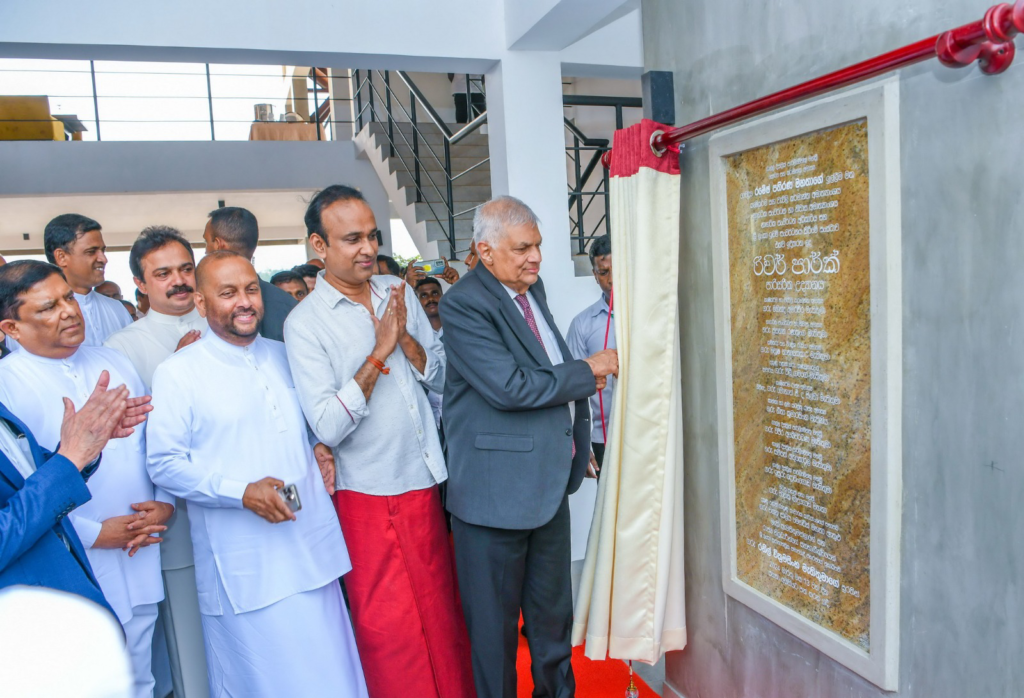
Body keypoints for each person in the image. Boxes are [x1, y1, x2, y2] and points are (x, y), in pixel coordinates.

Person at [147, 251, 368, 698]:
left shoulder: (285, 355)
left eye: (251, 289)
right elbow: (164, 463)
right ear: (201, 303)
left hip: (310, 548)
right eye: (228, 293)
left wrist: (318, 444)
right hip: (245, 567)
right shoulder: (177, 372)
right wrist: (241, 493)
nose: (244, 302)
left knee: (334, 676)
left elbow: (307, 425)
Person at [285, 185, 474, 698]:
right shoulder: (305, 324)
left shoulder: (397, 290)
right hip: (366, 492)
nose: (368, 248)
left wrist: (405, 339)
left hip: (424, 480)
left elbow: (441, 377)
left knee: (442, 614)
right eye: (353, 239)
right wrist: (378, 353)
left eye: (372, 236)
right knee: (389, 631)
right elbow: (327, 425)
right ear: (319, 246)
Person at [439, 196, 618, 698]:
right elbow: (510, 387)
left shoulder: (529, 289)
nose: (536, 257)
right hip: (494, 497)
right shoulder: (464, 303)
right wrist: (589, 369)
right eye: (522, 248)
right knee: (495, 638)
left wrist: (574, 439)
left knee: (552, 623)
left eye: (537, 245)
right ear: (485, 251)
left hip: (547, 486)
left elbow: (545, 365)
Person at [0, 260, 171, 698]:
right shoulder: (7, 384)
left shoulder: (113, 361)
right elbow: (24, 486)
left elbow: (151, 439)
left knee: (141, 673)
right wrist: (94, 534)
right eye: (48, 307)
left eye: (68, 298)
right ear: (11, 328)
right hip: (74, 556)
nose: (68, 311)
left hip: (141, 541)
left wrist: (163, 502)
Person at [104, 225, 210, 698]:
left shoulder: (225, 320)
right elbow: (131, 434)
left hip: (244, 499)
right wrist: (176, 369)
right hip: (177, 510)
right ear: (140, 284)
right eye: (163, 273)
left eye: (186, 269)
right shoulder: (123, 347)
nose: (179, 281)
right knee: (189, 640)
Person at [0, 364, 150, 614]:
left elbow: (27, 475)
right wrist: (70, 459)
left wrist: (87, 445)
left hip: (67, 591)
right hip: (22, 615)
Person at [203, 206, 297, 341]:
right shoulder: (289, 306)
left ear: (218, 245)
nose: (206, 251)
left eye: (206, 242)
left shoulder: (204, 305)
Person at [42, 214, 132, 347]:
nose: (103, 259)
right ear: (61, 257)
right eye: (91, 251)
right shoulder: (39, 314)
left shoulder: (117, 309)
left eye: (102, 251)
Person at [566, 233, 615, 476]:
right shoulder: (582, 324)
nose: (611, 279)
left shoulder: (654, 317)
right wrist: (579, 443)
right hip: (603, 437)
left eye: (616, 270)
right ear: (595, 275)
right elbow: (571, 387)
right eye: (603, 272)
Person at [415, 277, 447, 429]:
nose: (430, 299)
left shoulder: (458, 328)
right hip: (429, 419)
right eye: (424, 295)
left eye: (435, 293)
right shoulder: (414, 339)